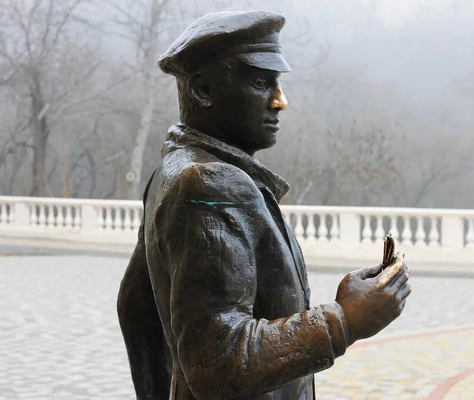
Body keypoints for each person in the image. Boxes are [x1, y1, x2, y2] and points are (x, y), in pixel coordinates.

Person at [117, 10, 411, 400]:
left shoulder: (171, 172)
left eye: (278, 83)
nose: (280, 101)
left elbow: (135, 309)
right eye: (261, 82)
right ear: (203, 90)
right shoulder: (212, 183)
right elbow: (219, 361)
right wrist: (345, 320)